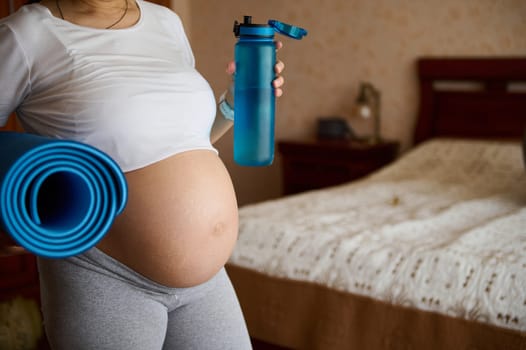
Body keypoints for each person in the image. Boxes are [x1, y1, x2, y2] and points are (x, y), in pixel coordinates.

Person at [0, 0, 285, 348]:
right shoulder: (26, 34)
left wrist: (234, 100)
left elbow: (180, 140)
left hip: (207, 283)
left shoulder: (166, 22)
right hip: (104, 275)